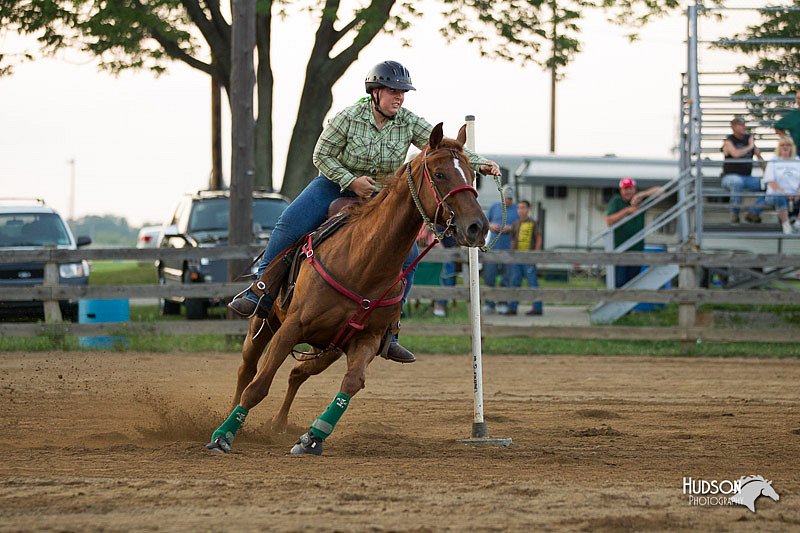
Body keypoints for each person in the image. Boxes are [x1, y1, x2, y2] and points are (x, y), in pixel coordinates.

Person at [227, 60, 501, 364]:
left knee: (407, 257)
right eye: (393, 91)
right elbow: (322, 155)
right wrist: (350, 180)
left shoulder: (408, 122)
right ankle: (260, 288)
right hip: (334, 185)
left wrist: (482, 164)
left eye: (403, 92)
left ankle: (390, 330)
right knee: (290, 224)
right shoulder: (348, 117)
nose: (399, 97)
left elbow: (446, 150)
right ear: (375, 92)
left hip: (380, 195)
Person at [605, 177, 662, 288]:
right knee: (619, 283)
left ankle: (630, 305)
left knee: (633, 283)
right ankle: (617, 304)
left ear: (634, 189)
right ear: (621, 190)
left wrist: (642, 195)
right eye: (625, 189)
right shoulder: (616, 200)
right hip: (619, 250)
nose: (628, 191)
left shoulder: (640, 201)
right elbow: (609, 221)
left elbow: (661, 191)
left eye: (630, 188)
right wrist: (627, 211)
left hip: (637, 249)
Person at [744, 136, 800, 234]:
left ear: (792, 147)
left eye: (788, 145)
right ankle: (786, 225)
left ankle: (798, 224)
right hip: (776, 193)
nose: (785, 147)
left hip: (795, 194)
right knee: (778, 196)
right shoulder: (774, 160)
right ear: (779, 147)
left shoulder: (797, 160)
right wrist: (785, 193)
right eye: (782, 145)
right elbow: (770, 181)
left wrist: (798, 192)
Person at [482, 185, 519, 314]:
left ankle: (503, 303)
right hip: (493, 247)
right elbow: (485, 221)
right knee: (489, 276)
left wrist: (510, 228)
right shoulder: (494, 207)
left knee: (506, 277)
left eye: (510, 199)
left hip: (508, 248)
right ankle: (489, 303)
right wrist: (492, 226)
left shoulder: (516, 210)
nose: (508, 201)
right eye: (506, 198)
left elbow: (519, 226)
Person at [721, 116, 765, 223]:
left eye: (743, 124)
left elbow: (761, 161)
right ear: (733, 127)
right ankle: (734, 215)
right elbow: (735, 154)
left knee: (769, 184)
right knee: (737, 182)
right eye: (740, 124)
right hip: (729, 177)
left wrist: (758, 155)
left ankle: (753, 213)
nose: (743, 127)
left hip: (747, 178)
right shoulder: (729, 140)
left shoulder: (748, 139)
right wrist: (750, 146)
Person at [504, 200, 543, 316]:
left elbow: (538, 237)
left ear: (528, 209)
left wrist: (536, 253)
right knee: (515, 282)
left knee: (532, 282)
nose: (521, 210)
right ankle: (513, 307)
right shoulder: (516, 223)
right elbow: (513, 239)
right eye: (519, 208)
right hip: (517, 259)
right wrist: (512, 254)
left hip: (529, 259)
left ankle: (537, 308)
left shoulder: (533, 222)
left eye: (523, 208)